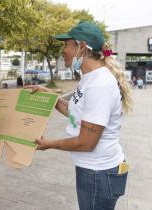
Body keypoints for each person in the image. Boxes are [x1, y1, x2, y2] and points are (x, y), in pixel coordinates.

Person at [26, 21, 133, 210]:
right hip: (94, 171)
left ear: (81, 47)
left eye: (66, 45)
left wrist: (49, 144)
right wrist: (50, 96)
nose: (63, 50)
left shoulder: (100, 84)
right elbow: (77, 114)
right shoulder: (89, 78)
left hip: (99, 173)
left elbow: (86, 142)